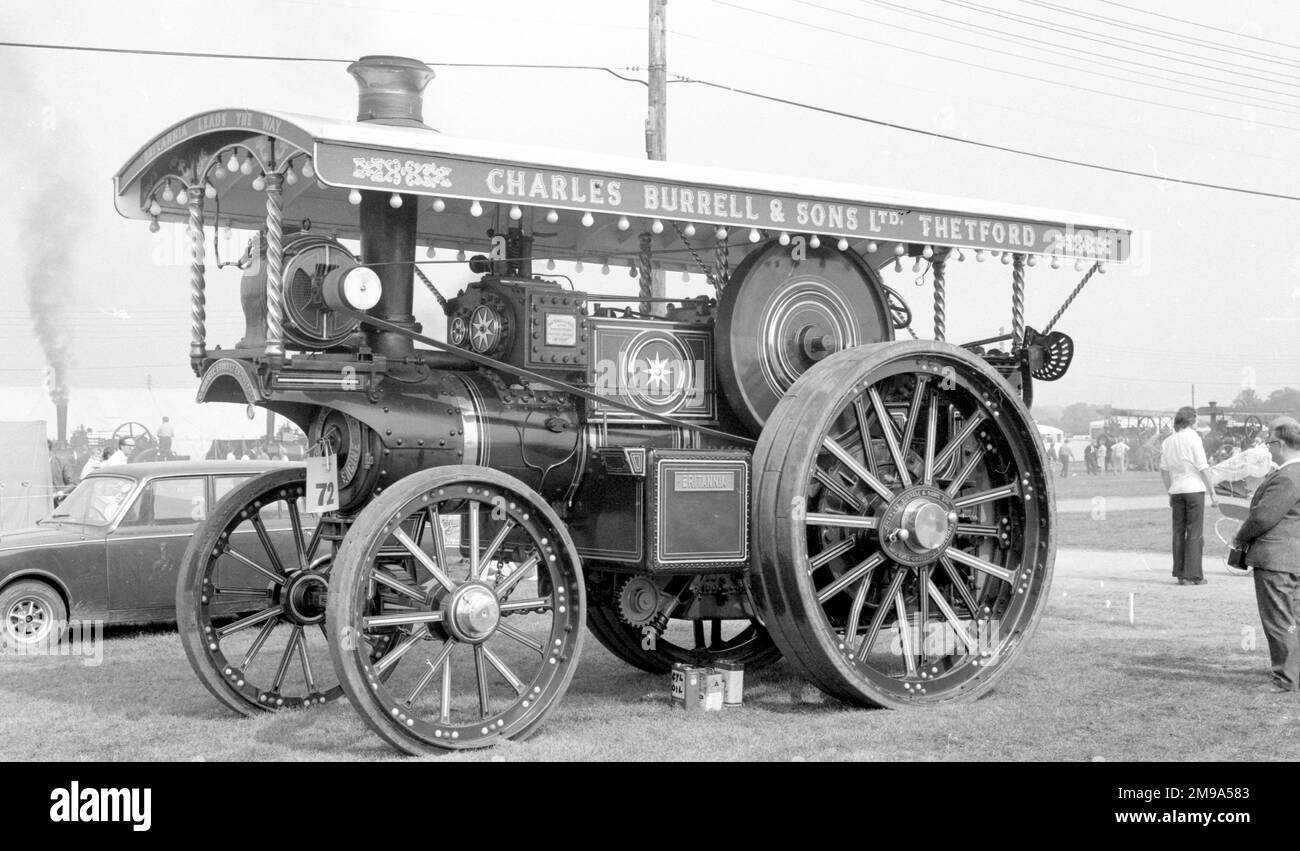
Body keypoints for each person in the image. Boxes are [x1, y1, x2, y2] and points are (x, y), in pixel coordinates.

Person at [1233, 417, 1300, 693]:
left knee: (1279, 619)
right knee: (1293, 617)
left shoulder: (1286, 476)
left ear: (1280, 444)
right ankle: (1293, 672)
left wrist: (1240, 537)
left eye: (1269, 442)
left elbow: (1263, 517)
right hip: (1293, 556)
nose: (1268, 448)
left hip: (1276, 557)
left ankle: (1285, 679)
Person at [1160, 406, 1218, 585]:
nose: (1198, 422)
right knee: (1194, 532)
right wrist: (1213, 494)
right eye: (1196, 419)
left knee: (1178, 532)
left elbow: (1164, 471)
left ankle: (1180, 573)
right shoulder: (1194, 438)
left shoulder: (1168, 441)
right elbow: (1203, 467)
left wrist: (1170, 491)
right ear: (1191, 421)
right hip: (1193, 489)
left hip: (1176, 490)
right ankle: (1193, 575)